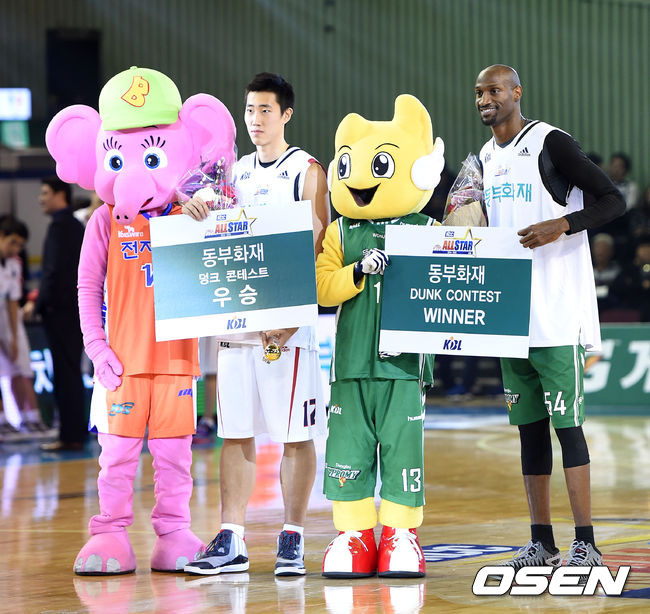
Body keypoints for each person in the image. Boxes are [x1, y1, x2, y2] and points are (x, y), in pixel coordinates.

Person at [473, 65, 625, 572]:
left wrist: (564, 223)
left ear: (517, 92)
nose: (485, 99)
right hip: (510, 317)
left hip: (557, 312)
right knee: (529, 432)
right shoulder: (485, 159)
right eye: (479, 92)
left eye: (495, 90)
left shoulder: (550, 142)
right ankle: (542, 541)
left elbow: (614, 199)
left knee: (568, 429)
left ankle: (587, 542)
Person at [183, 73, 330, 576]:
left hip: (285, 329)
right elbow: (209, 234)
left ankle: (293, 536)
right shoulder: (232, 173)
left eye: (265, 110)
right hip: (238, 325)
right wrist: (193, 206)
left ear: (286, 115)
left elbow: (318, 247)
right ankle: (232, 537)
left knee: (295, 434)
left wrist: (291, 318)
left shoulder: (306, 170)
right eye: (249, 110)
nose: (255, 119)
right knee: (235, 432)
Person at [23, 177, 86, 451]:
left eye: (45, 193)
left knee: (66, 373)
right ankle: (73, 433)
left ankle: (70, 436)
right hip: (71, 310)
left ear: (61, 194)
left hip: (61, 312)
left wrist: (37, 305)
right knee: (69, 372)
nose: (41, 199)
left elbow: (53, 272)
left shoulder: (62, 226)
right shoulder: (72, 226)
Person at [0, 215, 49, 439]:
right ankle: (3, 421)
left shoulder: (14, 263)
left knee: (21, 368)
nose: (15, 249)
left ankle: (30, 418)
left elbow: (13, 301)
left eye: (20, 245)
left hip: (8, 318)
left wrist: (12, 335)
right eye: (12, 243)